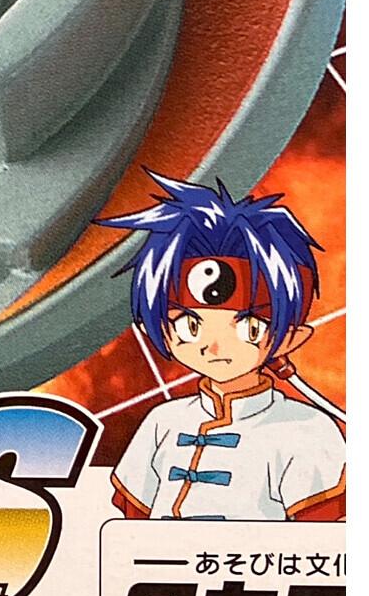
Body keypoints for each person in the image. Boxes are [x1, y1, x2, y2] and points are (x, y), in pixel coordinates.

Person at [101, 173, 345, 521]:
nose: (214, 346)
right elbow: (130, 522)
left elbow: (321, 537)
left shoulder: (306, 430)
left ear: (290, 338)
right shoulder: (163, 422)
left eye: (249, 327)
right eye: (189, 325)